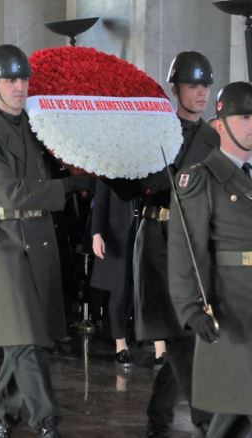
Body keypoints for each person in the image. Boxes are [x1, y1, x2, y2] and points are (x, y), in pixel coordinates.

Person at [0, 45, 95, 438]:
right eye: (10, 80)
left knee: (23, 337)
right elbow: (13, 194)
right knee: (26, 337)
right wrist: (70, 186)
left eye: (23, 79)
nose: (19, 87)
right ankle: (47, 419)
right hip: (1, 245)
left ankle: (4, 416)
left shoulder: (40, 126)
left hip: (38, 240)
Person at [130, 51, 217, 437]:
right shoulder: (156, 132)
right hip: (160, 240)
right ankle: (206, 420)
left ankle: (158, 417)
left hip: (197, 242)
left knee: (184, 332)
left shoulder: (214, 137)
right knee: (180, 330)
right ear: (175, 88)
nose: (199, 93)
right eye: (191, 85)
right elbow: (136, 185)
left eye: (204, 85)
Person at [168, 81, 252, 438]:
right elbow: (187, 248)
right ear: (220, 125)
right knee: (236, 406)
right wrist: (189, 308)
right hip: (231, 306)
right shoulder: (202, 178)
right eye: (245, 116)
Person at [89, 179, 139, 367]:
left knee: (134, 288)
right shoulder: (110, 167)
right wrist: (97, 234)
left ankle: (129, 334)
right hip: (116, 234)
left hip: (139, 231)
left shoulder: (144, 166)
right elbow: (100, 203)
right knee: (118, 289)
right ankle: (120, 343)